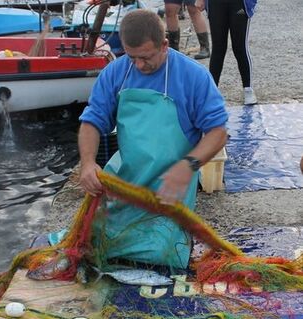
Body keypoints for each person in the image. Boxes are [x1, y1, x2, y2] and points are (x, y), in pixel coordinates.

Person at [59, 9, 227, 270]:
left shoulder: (193, 77)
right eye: (131, 56)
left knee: (159, 253)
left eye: (146, 57)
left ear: (164, 45)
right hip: (123, 185)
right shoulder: (115, 73)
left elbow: (218, 132)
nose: (138, 65)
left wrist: (189, 165)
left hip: (168, 193)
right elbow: (92, 121)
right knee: (88, 243)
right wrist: (88, 163)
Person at [196, 0, 258, 105]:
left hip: (239, 4)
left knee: (240, 47)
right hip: (216, 4)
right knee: (218, 48)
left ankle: (248, 88)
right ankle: (212, 91)